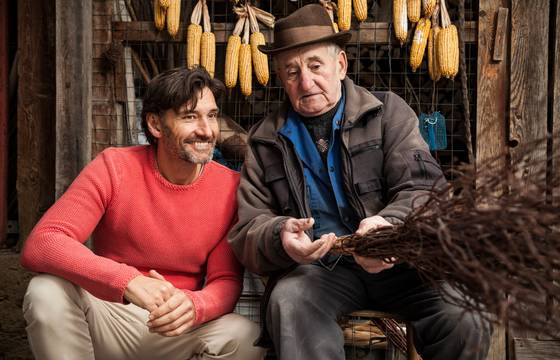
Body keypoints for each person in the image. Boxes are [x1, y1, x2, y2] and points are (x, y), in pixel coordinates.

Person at [228, 4, 492, 360]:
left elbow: (425, 189)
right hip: (322, 271)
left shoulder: (388, 114)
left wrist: (388, 227)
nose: (305, 82)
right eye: (292, 72)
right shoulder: (264, 140)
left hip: (403, 264)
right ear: (280, 78)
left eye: (315, 66)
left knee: (465, 313)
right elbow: (248, 229)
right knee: (289, 301)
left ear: (340, 65)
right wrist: (281, 237)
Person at [21, 67, 265, 360]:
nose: (207, 130)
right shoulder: (114, 167)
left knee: (245, 337)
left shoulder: (230, 188)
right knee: (45, 291)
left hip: (178, 328)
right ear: (155, 125)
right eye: (190, 116)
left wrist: (195, 305)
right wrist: (128, 282)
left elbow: (226, 280)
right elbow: (43, 242)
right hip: (111, 316)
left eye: (211, 115)